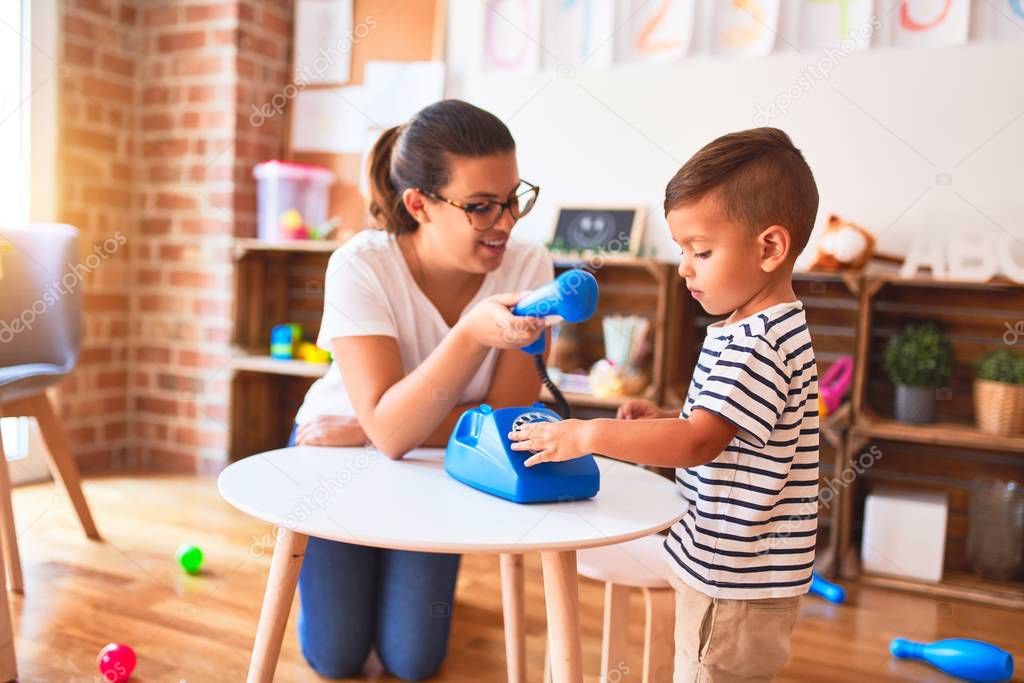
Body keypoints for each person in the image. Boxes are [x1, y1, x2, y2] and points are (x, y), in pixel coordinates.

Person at [508, 127, 820, 682]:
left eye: (701, 251)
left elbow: (699, 443)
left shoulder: (756, 340)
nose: (684, 268)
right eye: (681, 251)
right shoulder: (752, 327)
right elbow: (726, 433)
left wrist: (587, 436)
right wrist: (667, 420)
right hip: (736, 574)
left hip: (734, 582)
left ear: (770, 247)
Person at [289, 99, 554, 680]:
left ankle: (409, 592)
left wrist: (376, 423)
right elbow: (391, 434)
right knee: (335, 657)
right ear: (419, 205)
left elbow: (506, 423)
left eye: (514, 199)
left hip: (433, 454)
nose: (506, 223)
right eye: (482, 207)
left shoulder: (529, 265)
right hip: (332, 455)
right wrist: (468, 336)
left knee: (412, 660)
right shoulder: (360, 266)